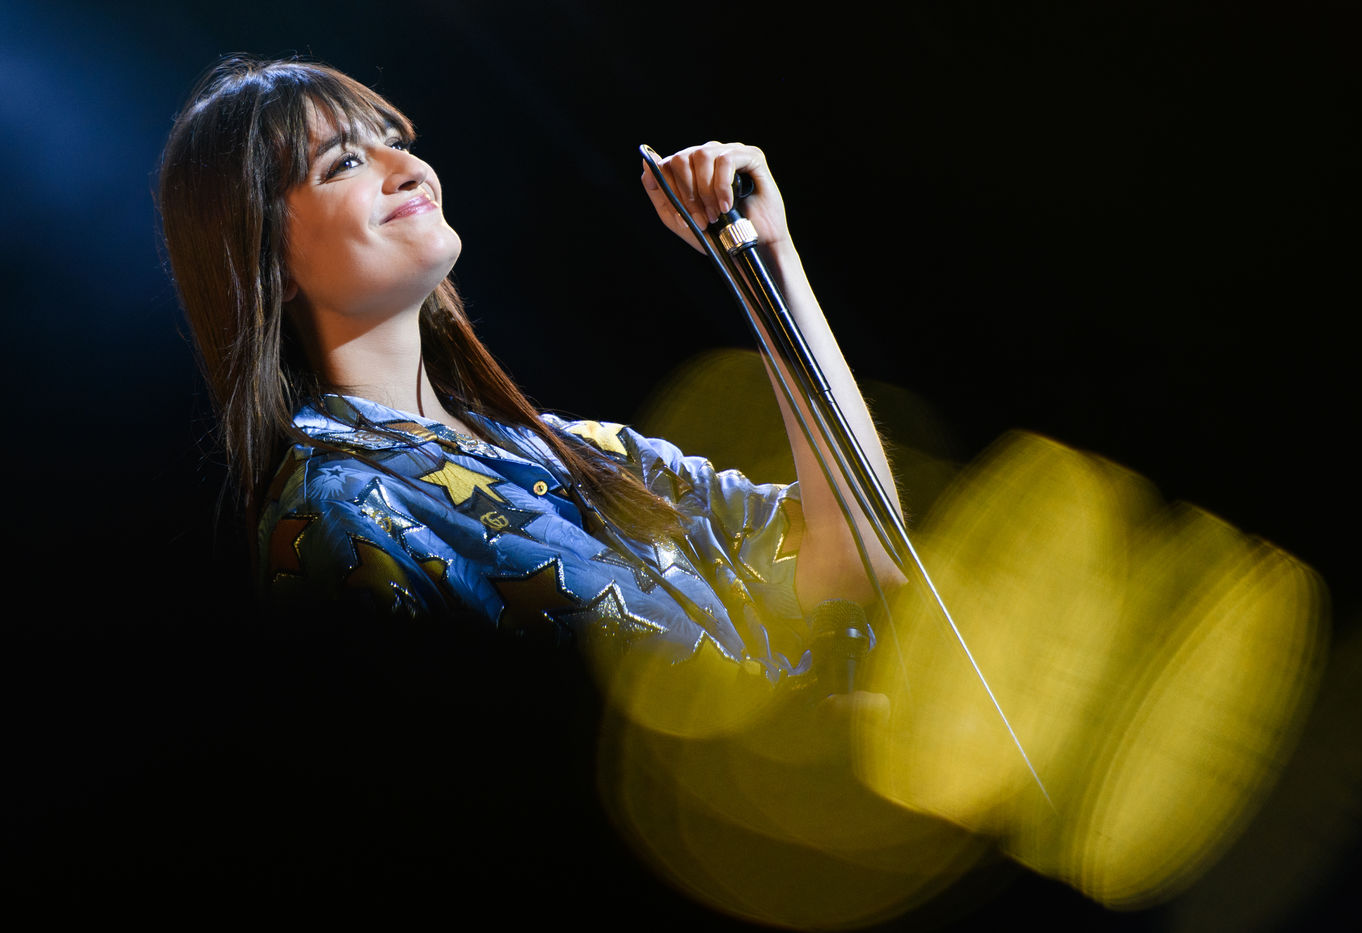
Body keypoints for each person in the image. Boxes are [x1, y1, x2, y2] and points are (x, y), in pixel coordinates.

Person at [158, 55, 903, 697]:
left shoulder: (585, 455)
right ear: (267, 261)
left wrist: (765, 261)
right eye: (345, 163)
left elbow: (860, 557)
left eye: (395, 142)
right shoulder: (336, 513)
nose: (410, 168)